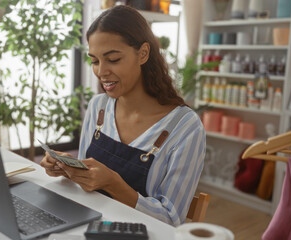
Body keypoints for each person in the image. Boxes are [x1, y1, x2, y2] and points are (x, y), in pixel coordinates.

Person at [40, 5, 205, 226]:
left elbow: (171, 219)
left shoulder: (185, 128)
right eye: (95, 61)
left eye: (113, 59)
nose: (101, 72)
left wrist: (114, 184)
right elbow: (85, 175)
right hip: (87, 227)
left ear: (143, 53)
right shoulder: (98, 107)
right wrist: (67, 169)